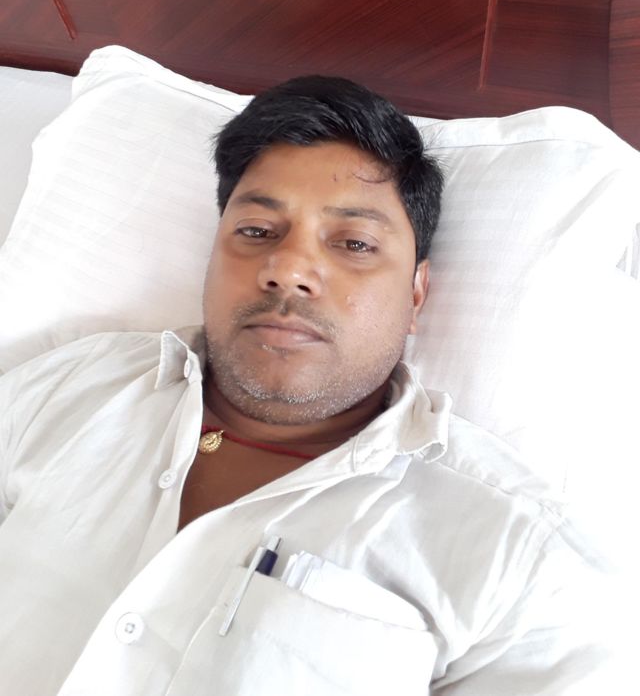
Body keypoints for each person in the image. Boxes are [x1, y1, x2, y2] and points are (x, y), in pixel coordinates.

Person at [0, 77, 622, 695]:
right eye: (256, 232)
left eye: (354, 243)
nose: (288, 269)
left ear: (415, 293)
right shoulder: (61, 391)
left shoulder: (524, 555)